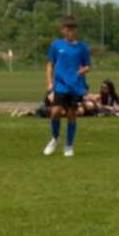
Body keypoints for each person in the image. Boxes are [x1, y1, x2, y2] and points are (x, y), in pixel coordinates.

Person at [42, 15, 89, 157]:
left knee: (71, 115)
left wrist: (83, 70)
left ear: (76, 30)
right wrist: (49, 82)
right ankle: (55, 138)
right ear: (62, 30)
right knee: (55, 112)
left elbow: (87, 65)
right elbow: (50, 64)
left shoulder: (82, 47)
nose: (70, 33)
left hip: (75, 85)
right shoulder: (57, 45)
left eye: (73, 30)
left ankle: (69, 146)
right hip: (60, 85)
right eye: (67, 30)